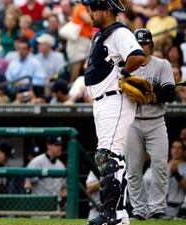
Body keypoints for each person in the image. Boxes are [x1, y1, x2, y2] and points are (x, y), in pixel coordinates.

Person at [81, 0, 147, 224]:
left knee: (109, 158)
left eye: (93, 9)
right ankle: (119, 215)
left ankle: (113, 214)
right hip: (102, 101)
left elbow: (137, 56)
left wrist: (124, 73)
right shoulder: (102, 34)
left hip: (114, 100)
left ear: (107, 10)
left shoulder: (119, 31)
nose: (90, 13)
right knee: (110, 157)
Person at [124, 28, 176, 220]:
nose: (142, 47)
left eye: (145, 44)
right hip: (132, 122)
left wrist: (150, 93)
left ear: (151, 45)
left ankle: (156, 209)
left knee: (161, 166)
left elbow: (170, 92)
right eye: (139, 44)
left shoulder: (162, 65)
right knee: (133, 169)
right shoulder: (126, 66)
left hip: (156, 122)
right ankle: (138, 210)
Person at [24, 137, 67, 204]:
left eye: (60, 145)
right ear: (48, 146)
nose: (60, 148)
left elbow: (64, 188)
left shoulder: (61, 165)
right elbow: (28, 184)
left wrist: (63, 202)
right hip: (39, 204)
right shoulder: (37, 161)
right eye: (56, 145)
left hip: (55, 205)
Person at [165, 140, 186, 218]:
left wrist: (176, 174)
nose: (176, 150)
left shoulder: (185, 167)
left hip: (178, 207)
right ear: (170, 150)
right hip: (161, 207)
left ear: (183, 151)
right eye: (174, 147)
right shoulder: (163, 166)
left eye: (179, 148)